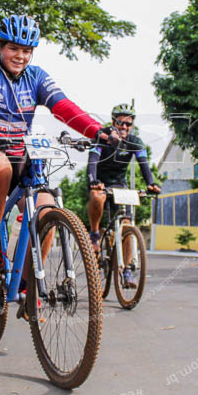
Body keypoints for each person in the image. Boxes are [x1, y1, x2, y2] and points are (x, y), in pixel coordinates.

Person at [0, 14, 117, 281]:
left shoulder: (37, 77)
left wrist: (96, 130)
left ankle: (29, 287)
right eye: (14, 49)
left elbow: (63, 106)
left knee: (47, 209)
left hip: (21, 157)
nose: (20, 56)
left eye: (27, 51)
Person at [86, 103, 161, 288]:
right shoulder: (102, 137)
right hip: (100, 181)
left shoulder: (135, 142)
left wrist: (151, 183)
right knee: (97, 197)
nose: (124, 127)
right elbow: (92, 162)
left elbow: (144, 165)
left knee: (127, 226)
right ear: (113, 122)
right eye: (121, 123)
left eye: (128, 124)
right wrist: (93, 180)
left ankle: (128, 271)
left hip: (120, 185)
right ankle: (95, 234)